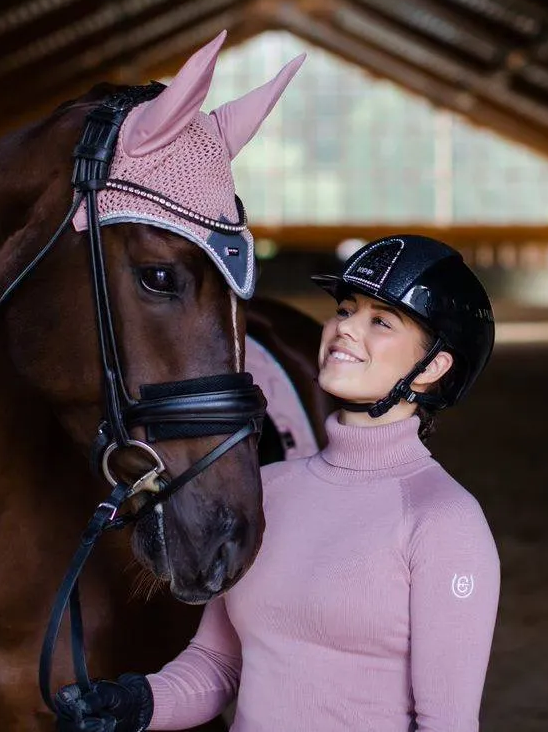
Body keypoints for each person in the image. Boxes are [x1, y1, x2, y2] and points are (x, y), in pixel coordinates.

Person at [59, 235, 500, 732]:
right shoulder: (267, 489)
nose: (344, 329)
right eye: (346, 310)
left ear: (433, 368)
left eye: (380, 321)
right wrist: (136, 704)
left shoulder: (444, 521)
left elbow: (447, 723)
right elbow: (218, 666)